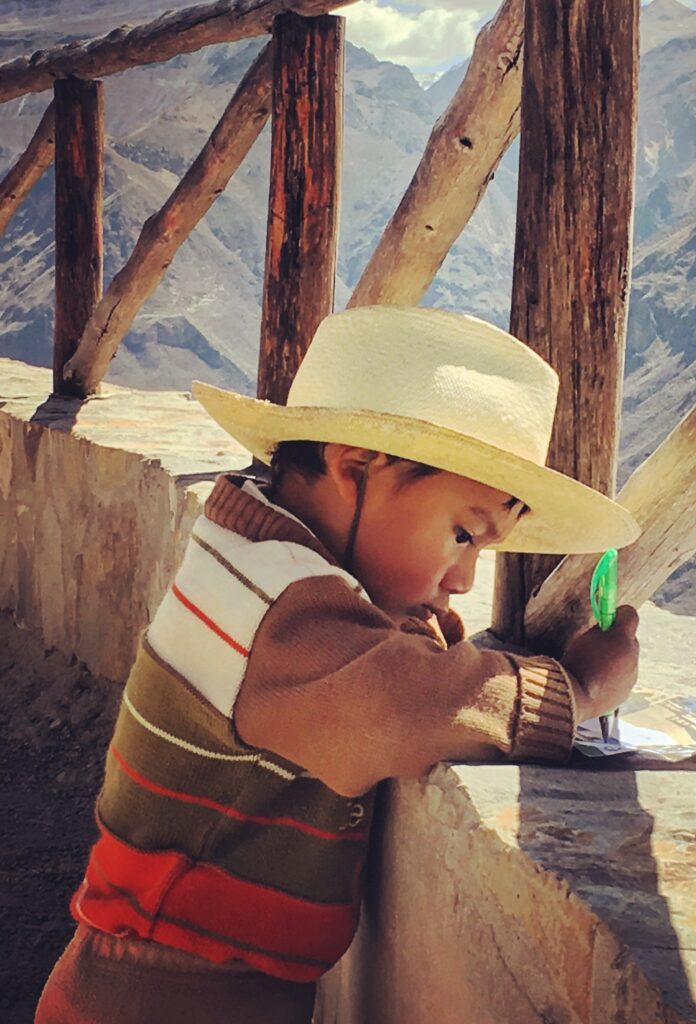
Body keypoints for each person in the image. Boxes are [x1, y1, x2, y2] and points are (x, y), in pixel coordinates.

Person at [36, 306, 641, 1023]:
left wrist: (414, 623)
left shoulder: (255, 559)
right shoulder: (283, 610)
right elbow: (401, 704)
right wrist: (580, 687)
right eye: (460, 534)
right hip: (162, 998)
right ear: (355, 468)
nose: (464, 581)